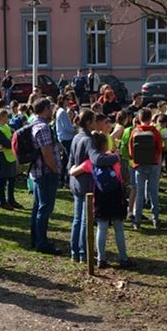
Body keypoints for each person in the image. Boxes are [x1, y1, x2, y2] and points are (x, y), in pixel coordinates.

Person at [69, 132, 134, 269]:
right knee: (118, 227)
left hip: (100, 196)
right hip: (116, 196)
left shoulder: (89, 163)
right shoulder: (113, 158)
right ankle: (123, 257)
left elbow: (72, 172)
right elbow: (123, 176)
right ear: (105, 145)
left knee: (102, 227)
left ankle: (101, 258)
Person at [67, 110, 107, 262]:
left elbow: (70, 161)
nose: (97, 123)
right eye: (95, 120)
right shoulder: (88, 139)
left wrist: (71, 172)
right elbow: (96, 159)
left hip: (75, 182)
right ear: (89, 122)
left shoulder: (76, 137)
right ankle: (84, 253)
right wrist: (113, 157)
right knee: (85, 220)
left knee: (77, 218)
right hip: (86, 184)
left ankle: (74, 251)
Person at [29, 98, 62, 254]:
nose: (52, 111)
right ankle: (42, 242)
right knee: (45, 208)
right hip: (46, 173)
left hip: (37, 172)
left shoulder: (32, 124)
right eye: (50, 108)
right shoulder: (43, 128)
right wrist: (55, 169)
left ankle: (35, 239)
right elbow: (47, 153)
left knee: (38, 207)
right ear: (44, 109)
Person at [129, 107, 163, 229]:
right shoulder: (155, 132)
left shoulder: (135, 131)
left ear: (139, 118)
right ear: (150, 118)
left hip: (139, 165)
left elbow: (131, 151)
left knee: (139, 193)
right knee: (153, 192)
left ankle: (137, 220)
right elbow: (160, 149)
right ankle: (155, 218)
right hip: (153, 164)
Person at [0, 109, 19, 210]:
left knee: (11, 179)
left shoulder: (6, 126)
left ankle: (11, 200)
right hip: (2, 157)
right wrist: (13, 141)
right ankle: (2, 201)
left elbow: (14, 137)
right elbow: (7, 143)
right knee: (2, 180)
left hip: (10, 156)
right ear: (1, 117)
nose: (8, 118)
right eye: (6, 116)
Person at [55, 95, 77, 187]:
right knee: (69, 159)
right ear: (63, 100)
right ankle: (67, 180)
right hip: (66, 138)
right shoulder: (62, 112)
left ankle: (61, 179)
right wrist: (75, 129)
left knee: (64, 160)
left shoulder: (60, 111)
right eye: (67, 99)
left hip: (63, 137)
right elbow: (66, 127)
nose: (69, 101)